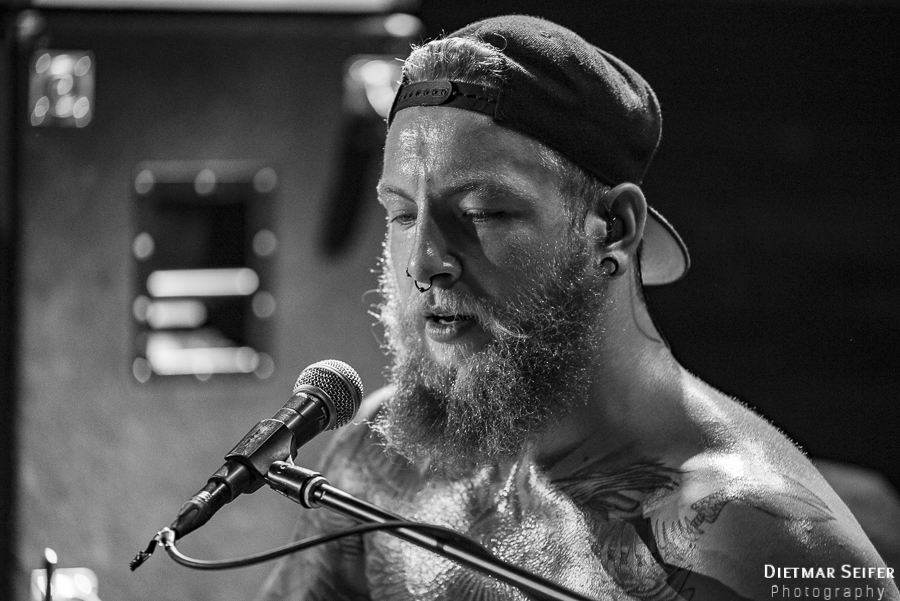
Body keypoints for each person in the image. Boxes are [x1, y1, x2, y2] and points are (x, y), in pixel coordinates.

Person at [256, 15, 899, 601]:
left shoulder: (766, 544)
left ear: (613, 229)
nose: (423, 262)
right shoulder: (379, 455)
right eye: (401, 214)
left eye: (482, 211)